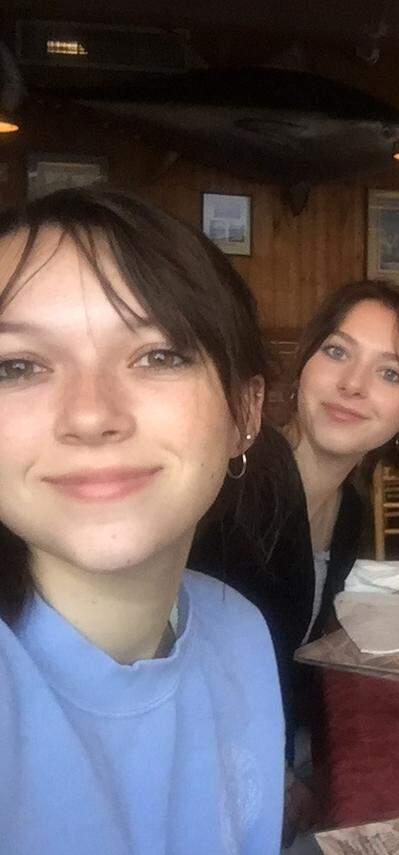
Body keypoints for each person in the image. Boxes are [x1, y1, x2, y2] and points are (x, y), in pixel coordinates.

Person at [0, 187, 282, 853]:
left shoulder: (239, 633)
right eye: (17, 365)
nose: (91, 415)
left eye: (159, 355)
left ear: (245, 413)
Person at [191, 279, 399, 840]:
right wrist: (279, 779)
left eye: (390, 373)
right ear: (304, 366)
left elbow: (288, 653)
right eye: (336, 352)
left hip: (283, 744)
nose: (351, 384)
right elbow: (194, 676)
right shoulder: (235, 488)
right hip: (207, 780)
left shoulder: (349, 507)